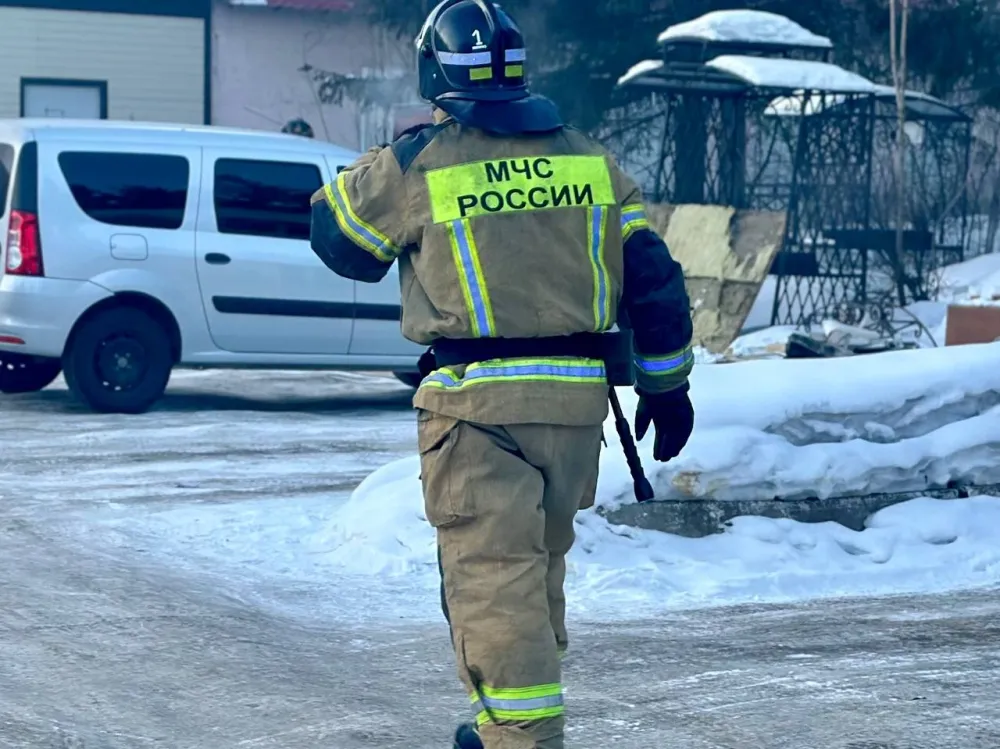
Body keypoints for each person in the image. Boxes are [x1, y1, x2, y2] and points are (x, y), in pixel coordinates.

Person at [308, 1, 695, 746]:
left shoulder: (424, 161)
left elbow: (338, 237)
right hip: (576, 415)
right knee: (536, 576)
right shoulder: (589, 158)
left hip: (477, 413)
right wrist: (666, 385)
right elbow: (652, 276)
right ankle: (503, 732)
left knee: (494, 589)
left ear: (434, 73)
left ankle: (523, 739)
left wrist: (388, 157)